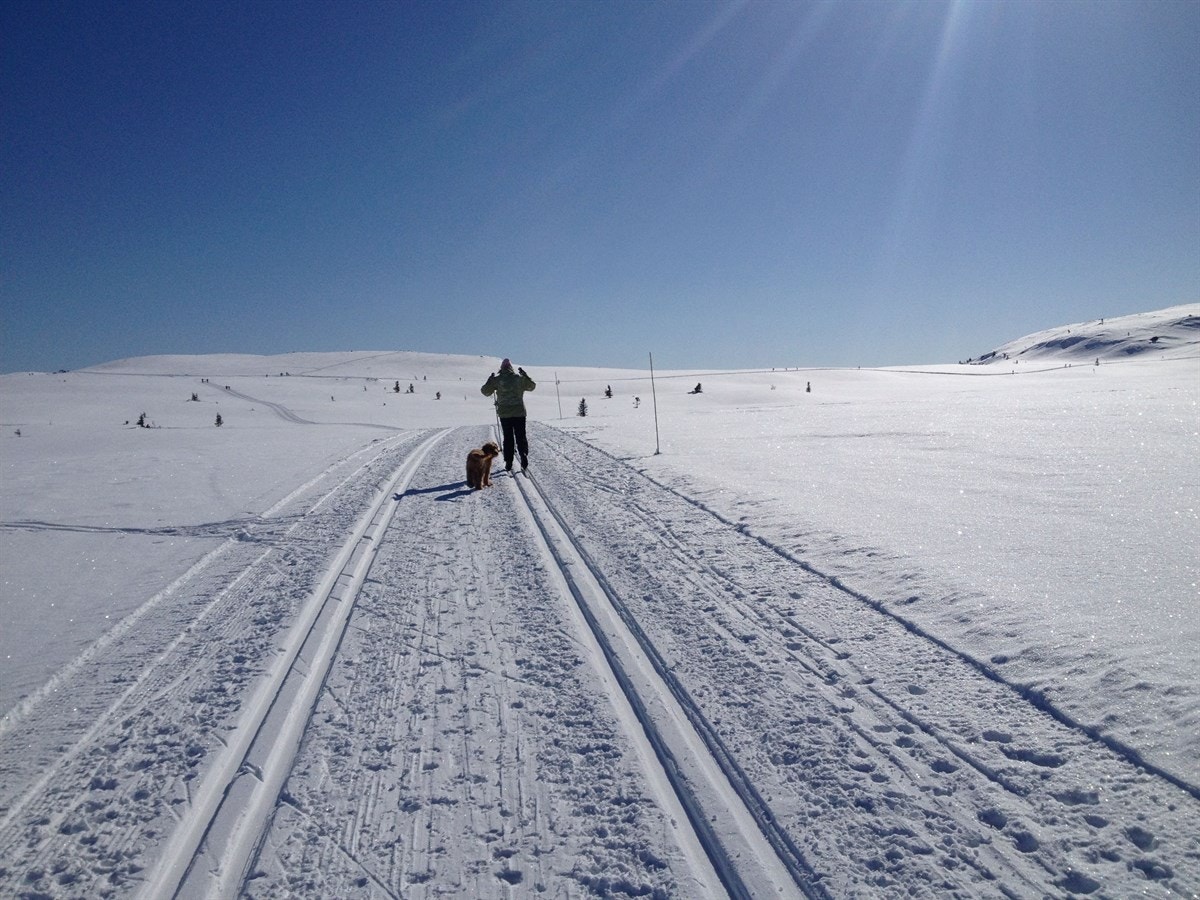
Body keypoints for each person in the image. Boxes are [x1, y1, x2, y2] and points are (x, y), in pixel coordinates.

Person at [481, 359, 536, 472]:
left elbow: (485, 392)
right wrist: (525, 375)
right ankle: (523, 454)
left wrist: (489, 380)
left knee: (508, 437)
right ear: (511, 368)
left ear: (501, 368)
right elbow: (532, 386)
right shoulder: (518, 379)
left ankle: (509, 461)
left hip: (505, 414)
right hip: (519, 412)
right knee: (521, 435)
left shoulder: (497, 380)